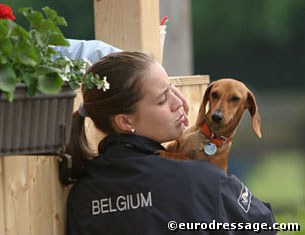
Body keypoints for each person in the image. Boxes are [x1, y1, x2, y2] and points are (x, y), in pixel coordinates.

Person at [64, 51, 277, 235]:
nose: (181, 102)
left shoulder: (80, 196)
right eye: (163, 98)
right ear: (125, 121)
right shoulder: (203, 180)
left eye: (173, 89)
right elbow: (266, 225)